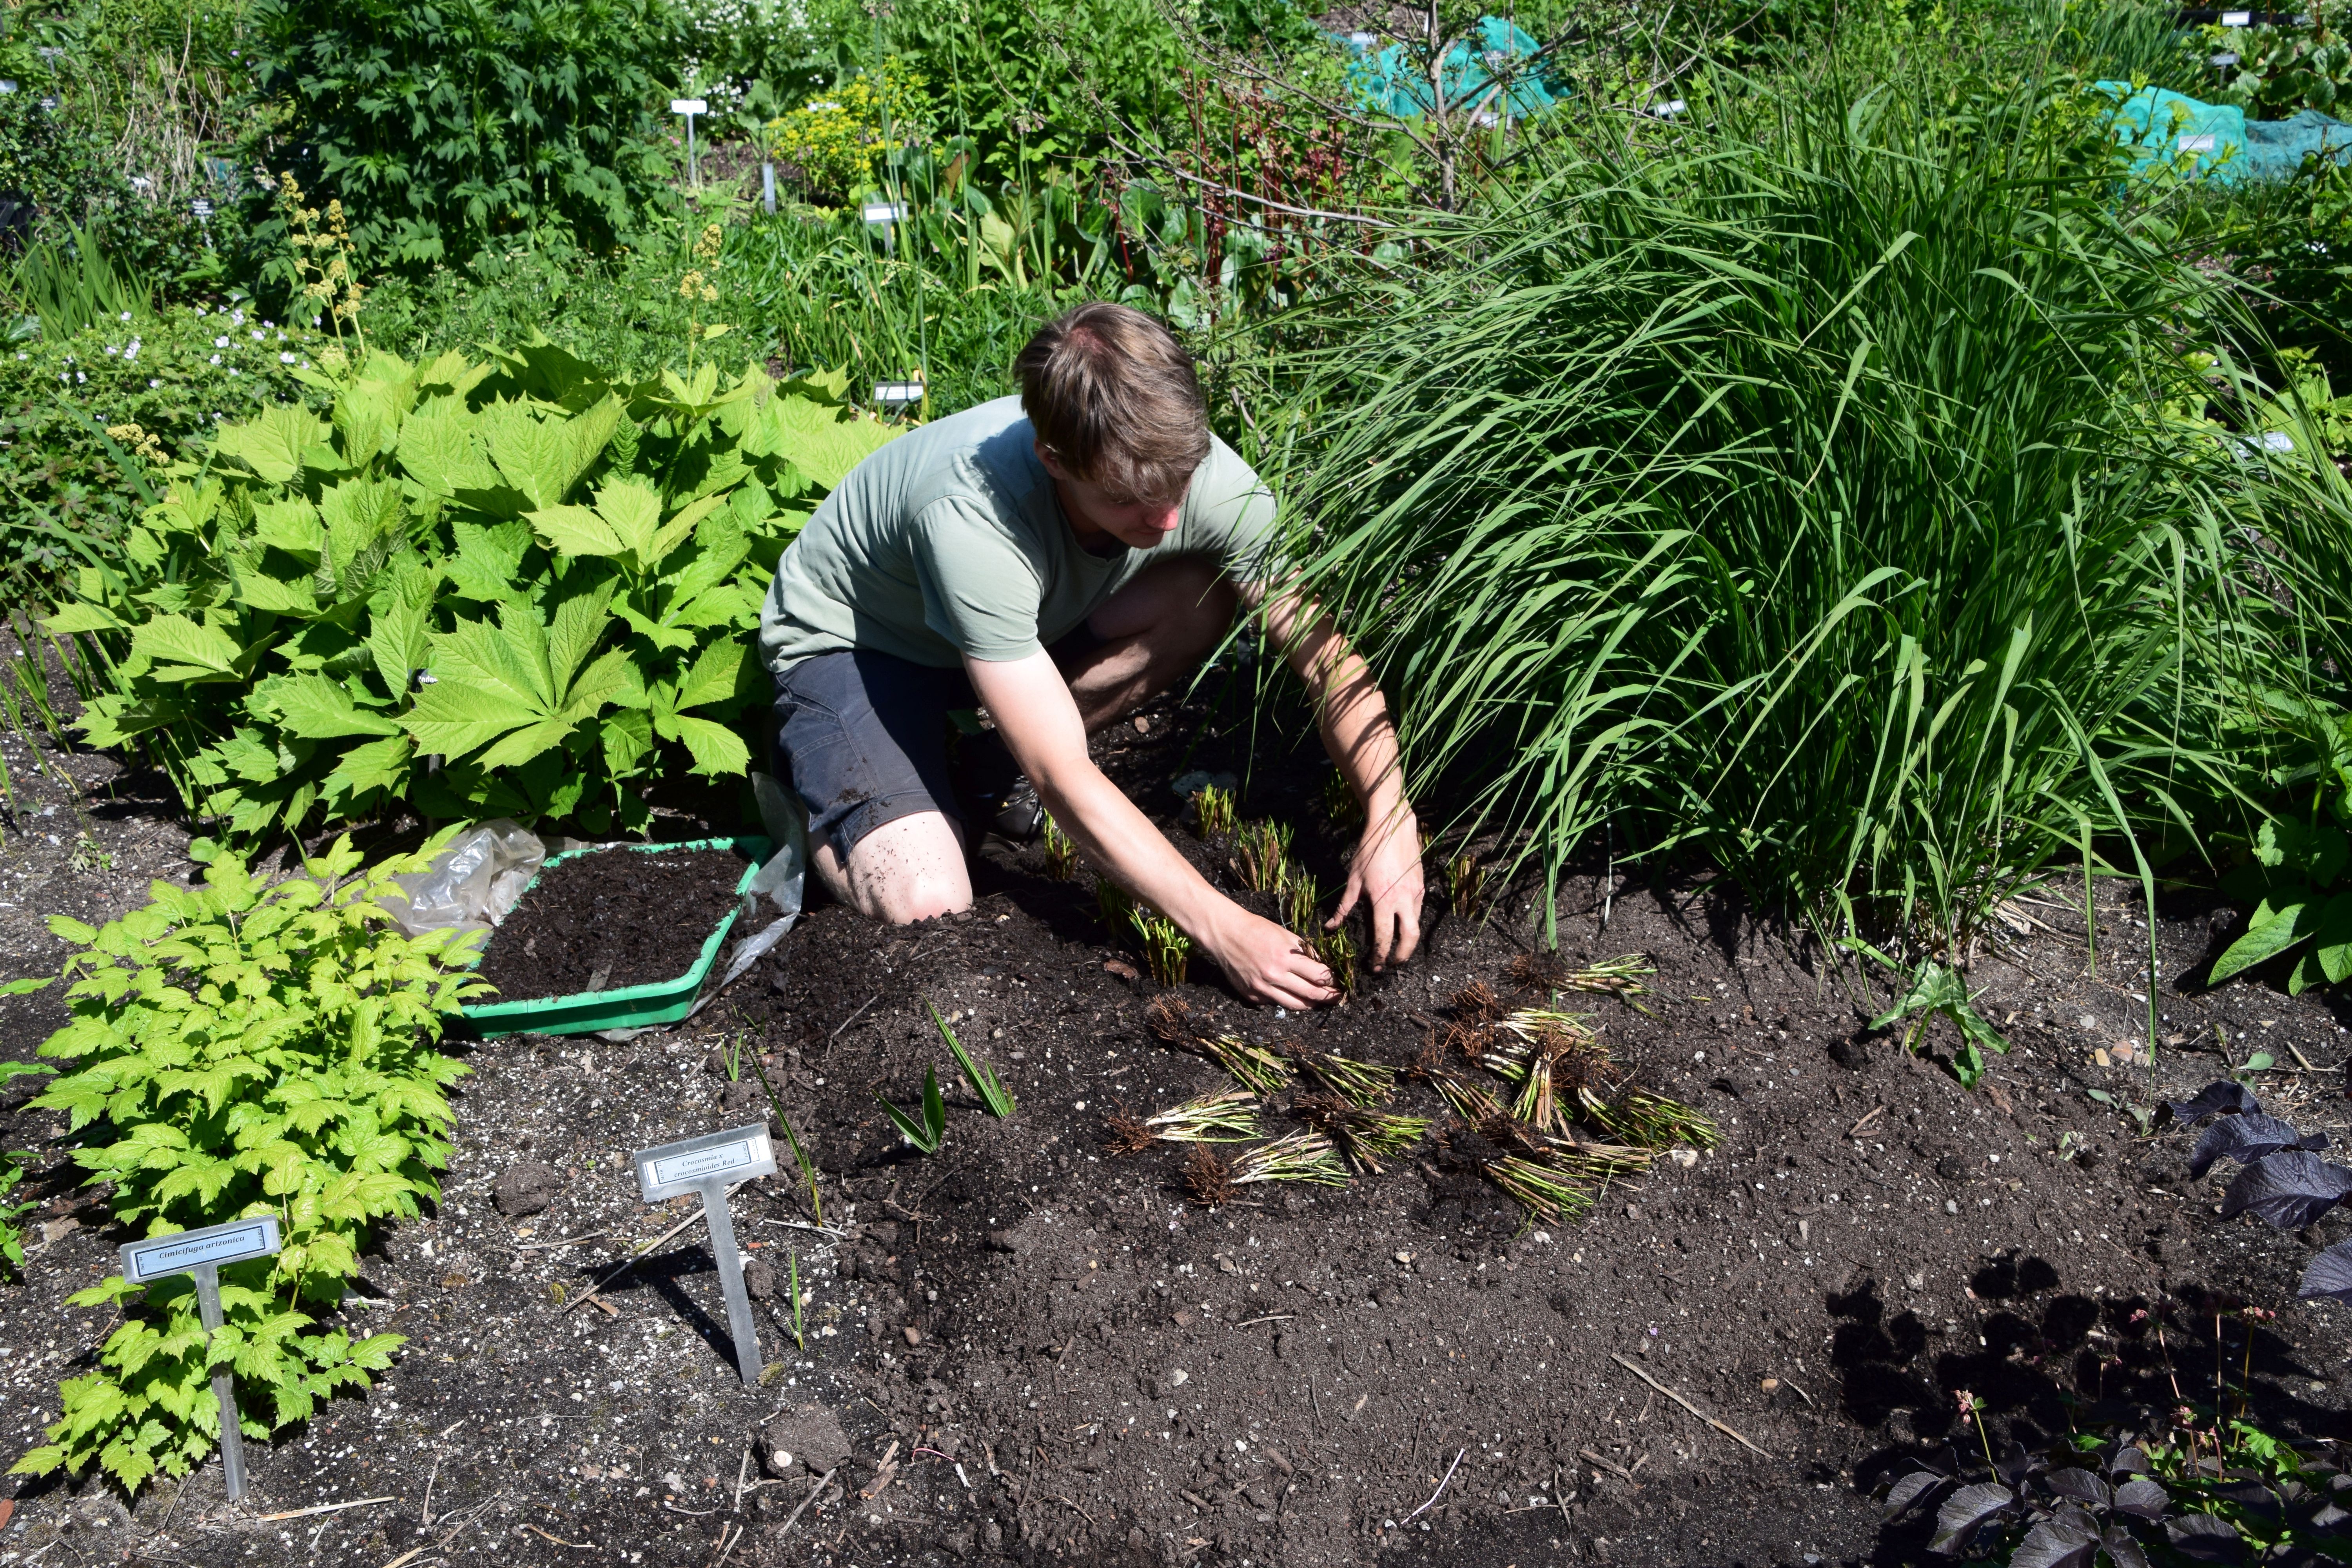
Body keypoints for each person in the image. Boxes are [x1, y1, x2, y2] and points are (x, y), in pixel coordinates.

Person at [756, 301, 1422, 1009]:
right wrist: (1223, 929)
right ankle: (819, 791)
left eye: (1178, 482)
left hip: (1015, 626)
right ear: (1055, 460)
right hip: (862, 649)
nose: (1166, 518)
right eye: (1131, 498)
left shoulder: (1195, 473)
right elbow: (1063, 775)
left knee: (1205, 591)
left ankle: (975, 769)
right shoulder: (972, 517)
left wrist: (1389, 815)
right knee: (931, 905)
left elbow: (1326, 660)